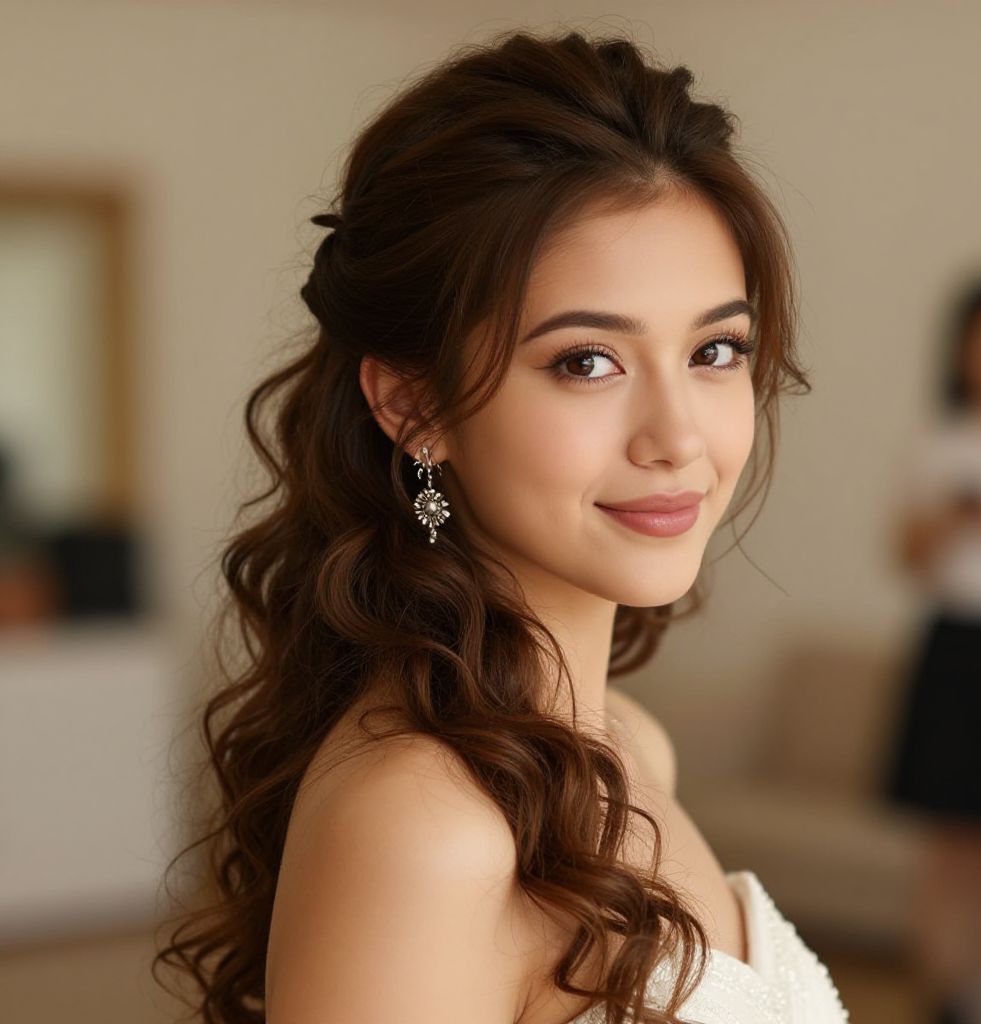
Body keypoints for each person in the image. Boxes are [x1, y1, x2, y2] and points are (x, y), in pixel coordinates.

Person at [153, 27, 850, 1024]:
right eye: (586, 361)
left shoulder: (628, 747)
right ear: (413, 405)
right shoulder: (423, 826)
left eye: (716, 349)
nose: (676, 438)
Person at [881, 279, 981, 1024]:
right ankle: (944, 992)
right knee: (946, 838)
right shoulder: (937, 439)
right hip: (952, 645)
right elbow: (903, 556)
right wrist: (950, 519)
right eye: (980, 339)